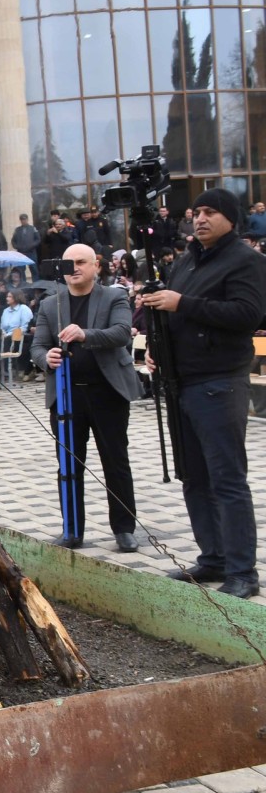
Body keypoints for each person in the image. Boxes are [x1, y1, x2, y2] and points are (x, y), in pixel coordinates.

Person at [141, 188, 266, 598]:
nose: (200, 219)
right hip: (182, 382)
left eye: (211, 212)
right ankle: (212, 558)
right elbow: (171, 315)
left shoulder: (246, 260)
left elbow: (248, 315)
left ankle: (243, 572)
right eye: (196, 212)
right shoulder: (186, 260)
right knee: (193, 478)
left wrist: (183, 303)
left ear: (231, 218)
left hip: (219, 382)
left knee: (227, 480)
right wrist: (160, 354)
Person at [30, 244, 142, 552]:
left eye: (81, 262)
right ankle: (72, 530)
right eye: (68, 263)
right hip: (66, 395)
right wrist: (45, 358)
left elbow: (121, 333)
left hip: (107, 392)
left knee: (115, 461)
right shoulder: (51, 304)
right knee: (68, 464)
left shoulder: (114, 295)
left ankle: (124, 529)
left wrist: (85, 334)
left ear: (96, 266)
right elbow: (37, 346)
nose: (74, 268)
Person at [0, 290, 34, 380]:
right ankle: (1, 369)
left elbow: (25, 327)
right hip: (6, 337)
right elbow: (2, 326)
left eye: (9, 296)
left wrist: (9, 334)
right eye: (7, 296)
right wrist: (3, 332)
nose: (7, 298)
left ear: (16, 297)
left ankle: (16, 370)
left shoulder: (24, 309)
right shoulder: (5, 311)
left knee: (8, 340)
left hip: (20, 337)